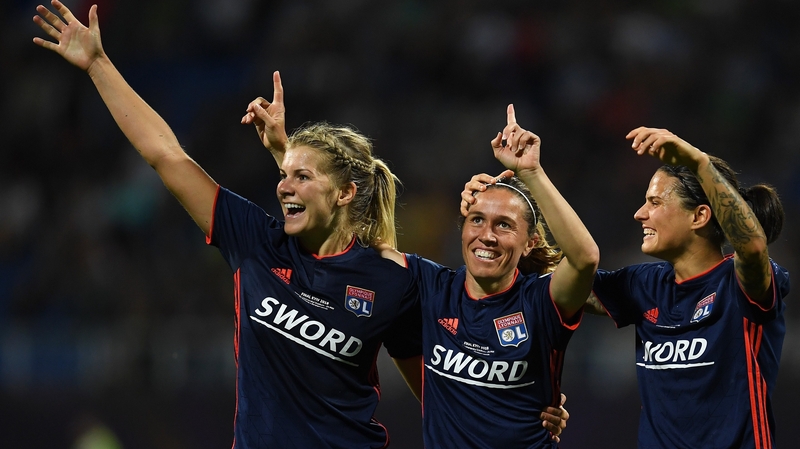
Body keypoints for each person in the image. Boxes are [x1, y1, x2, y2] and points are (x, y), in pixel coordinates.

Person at [33, 2, 567, 447]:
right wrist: (98, 64)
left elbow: (443, 377)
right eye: (283, 174)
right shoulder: (254, 241)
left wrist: (523, 410)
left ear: (345, 193)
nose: (283, 186)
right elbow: (166, 155)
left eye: (301, 176)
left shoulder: (392, 278)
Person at [463, 127, 789, 448]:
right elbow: (564, 278)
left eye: (655, 202)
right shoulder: (645, 285)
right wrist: (504, 201)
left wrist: (700, 163)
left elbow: (752, 247)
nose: (640, 214)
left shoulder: (740, 283)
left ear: (699, 216)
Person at [375, 105, 599, 448]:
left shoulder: (541, 300)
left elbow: (585, 258)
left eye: (504, 225)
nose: (487, 236)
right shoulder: (430, 285)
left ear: (530, 243)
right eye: (477, 220)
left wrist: (532, 173)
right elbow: (361, 249)